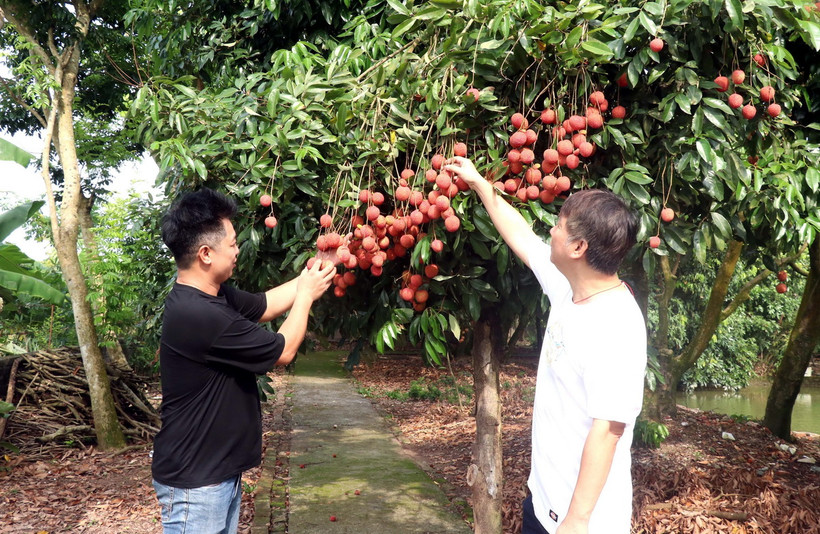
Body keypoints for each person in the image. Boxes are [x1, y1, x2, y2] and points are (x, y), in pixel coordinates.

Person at [445, 157, 647, 534]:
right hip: (542, 502)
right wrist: (479, 184)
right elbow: (522, 237)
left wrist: (577, 520)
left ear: (578, 247)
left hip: (583, 522)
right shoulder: (569, 287)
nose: (551, 232)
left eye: (558, 226)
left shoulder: (616, 324)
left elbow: (609, 429)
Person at [151, 187, 335, 534]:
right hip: (196, 483)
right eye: (233, 244)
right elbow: (284, 350)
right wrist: (306, 297)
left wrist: (320, 267)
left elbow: (265, 305)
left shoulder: (211, 294)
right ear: (206, 254)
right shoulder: (199, 314)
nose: (238, 251)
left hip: (214, 473)